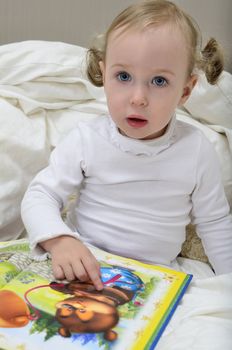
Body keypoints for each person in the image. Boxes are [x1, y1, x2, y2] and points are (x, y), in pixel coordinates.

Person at [21, 0, 232, 291]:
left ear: (185, 91)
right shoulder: (87, 139)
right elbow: (40, 194)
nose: (138, 97)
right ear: (104, 75)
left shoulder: (196, 149)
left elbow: (216, 224)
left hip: (154, 277)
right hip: (84, 264)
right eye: (123, 77)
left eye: (159, 81)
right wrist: (60, 241)